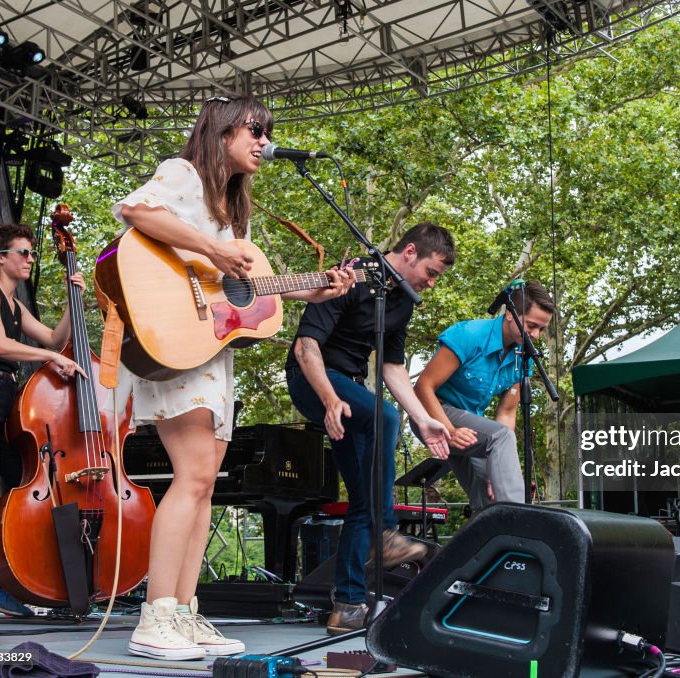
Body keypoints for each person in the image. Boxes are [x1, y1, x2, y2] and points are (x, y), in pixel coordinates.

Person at [113, 93, 353, 660]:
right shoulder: (184, 175)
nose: (263, 143)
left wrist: (314, 288)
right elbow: (136, 211)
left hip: (211, 355)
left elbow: (247, 291)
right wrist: (211, 251)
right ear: (221, 132)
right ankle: (156, 617)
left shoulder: (233, 209)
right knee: (191, 478)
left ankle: (186, 610)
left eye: (267, 133)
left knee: (203, 483)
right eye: (254, 130)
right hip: (173, 342)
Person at [285, 222, 455, 635]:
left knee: (362, 492)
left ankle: (347, 606)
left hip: (352, 394)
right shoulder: (354, 274)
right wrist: (329, 399)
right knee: (385, 416)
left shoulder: (403, 303)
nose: (431, 284)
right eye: (431, 272)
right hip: (314, 378)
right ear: (410, 251)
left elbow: (391, 368)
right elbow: (305, 347)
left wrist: (423, 417)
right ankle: (385, 532)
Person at [0, 223, 87, 624]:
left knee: (19, 489)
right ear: (0, 257)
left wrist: (71, 298)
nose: (30, 259)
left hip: (7, 397)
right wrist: (51, 359)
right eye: (23, 252)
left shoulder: (16, 303)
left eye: (31, 253)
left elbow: (52, 337)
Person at [413, 281, 556, 510]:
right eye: (531, 325)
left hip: (471, 429)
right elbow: (423, 387)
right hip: (432, 413)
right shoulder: (469, 335)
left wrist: (498, 469)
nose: (536, 335)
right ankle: (520, 518)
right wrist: (449, 429)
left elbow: (507, 412)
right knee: (501, 437)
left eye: (542, 329)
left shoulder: (522, 358)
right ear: (510, 313)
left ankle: (500, 541)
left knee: (489, 496)